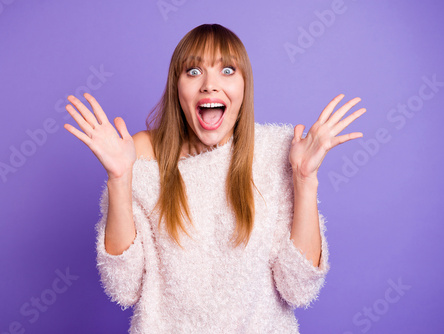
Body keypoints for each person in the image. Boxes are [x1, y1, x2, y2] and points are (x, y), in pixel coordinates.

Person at [63, 24, 366, 333]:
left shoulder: (276, 153)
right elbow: (123, 287)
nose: (209, 85)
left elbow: (299, 288)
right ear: (176, 87)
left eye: (227, 70)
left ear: (245, 85)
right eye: (193, 71)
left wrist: (305, 179)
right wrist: (119, 178)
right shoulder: (140, 154)